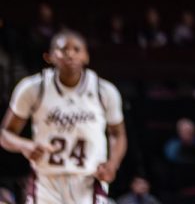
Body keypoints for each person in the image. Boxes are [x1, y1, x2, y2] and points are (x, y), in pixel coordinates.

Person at [0, 30, 127, 204]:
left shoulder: (104, 90)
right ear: (49, 57)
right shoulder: (33, 88)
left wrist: (113, 163)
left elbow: (117, 134)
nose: (70, 54)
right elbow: (5, 134)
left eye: (76, 49)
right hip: (46, 180)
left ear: (86, 56)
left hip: (89, 179)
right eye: (63, 49)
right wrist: (24, 145)